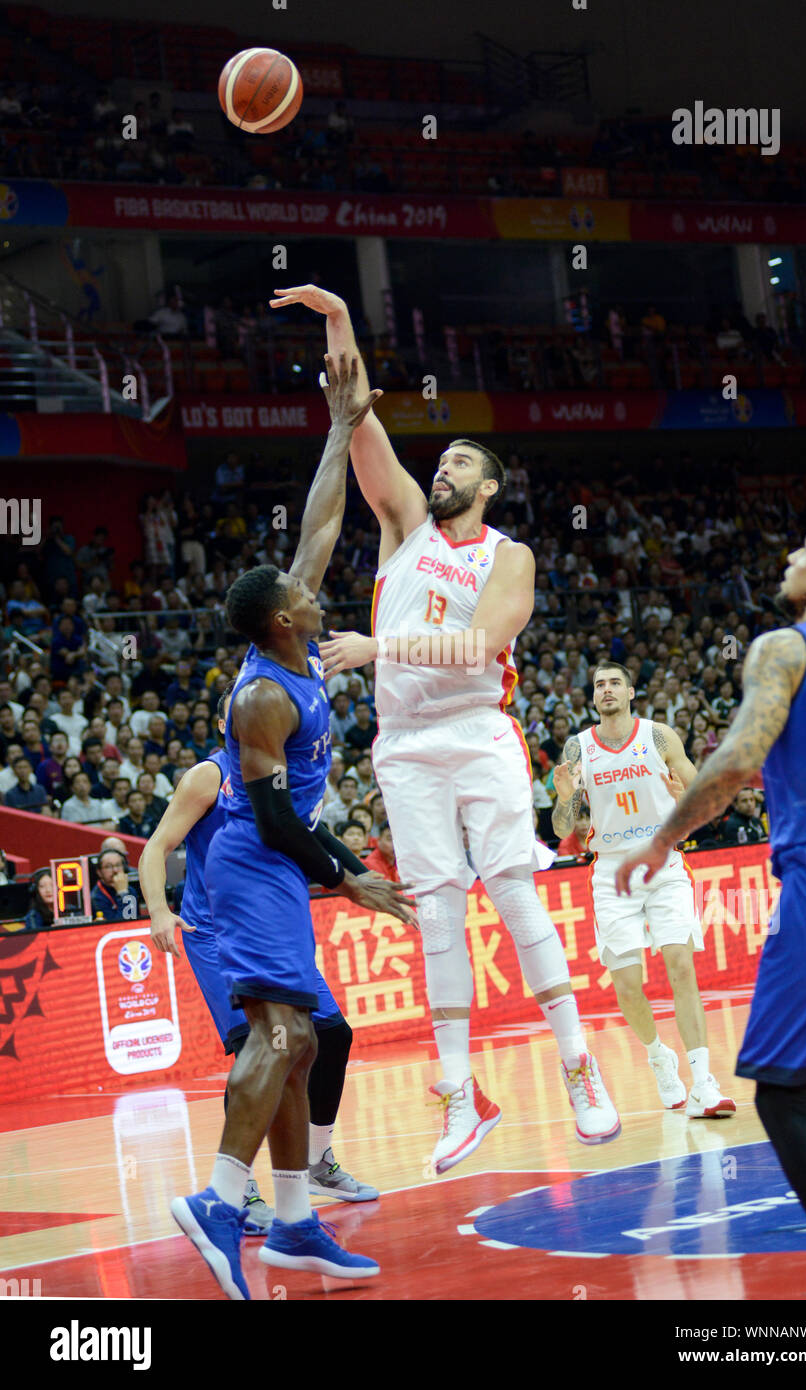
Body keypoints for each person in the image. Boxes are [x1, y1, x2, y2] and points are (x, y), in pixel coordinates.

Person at [272, 283, 621, 1167]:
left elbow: (479, 646)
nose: (445, 469)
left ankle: (579, 1065)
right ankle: (460, 1096)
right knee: (436, 914)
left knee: (511, 892)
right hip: (405, 747)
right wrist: (339, 321)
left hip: (478, 731)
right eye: (444, 459)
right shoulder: (403, 526)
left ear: (490, 486)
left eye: (463, 461)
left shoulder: (511, 555)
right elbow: (354, 418)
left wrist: (379, 645)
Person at [169, 354, 416, 1299]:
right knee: (275, 1037)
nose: (322, 593)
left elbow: (320, 525)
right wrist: (350, 876)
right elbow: (271, 818)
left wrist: (337, 427)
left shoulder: (291, 638)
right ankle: (220, 1204)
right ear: (279, 620)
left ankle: (297, 1225)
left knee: (306, 1039)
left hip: (270, 861)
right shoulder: (264, 698)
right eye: (306, 596)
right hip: (245, 862)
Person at [615, 519, 806, 1295]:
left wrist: (661, 839)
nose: (789, 558)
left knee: (781, 1093)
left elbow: (736, 757)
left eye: (803, 552)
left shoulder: (784, 647)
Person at [140, 685, 380, 1239]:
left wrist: (361, 880)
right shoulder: (208, 775)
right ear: (231, 718)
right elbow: (155, 848)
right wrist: (157, 910)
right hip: (217, 936)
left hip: (275, 929)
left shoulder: (280, 774)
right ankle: (238, 1190)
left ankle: (318, 1162)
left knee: (331, 1036)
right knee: (259, 1049)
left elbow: (311, 832)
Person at [552, 661, 736, 1116]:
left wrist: (683, 799)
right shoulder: (579, 749)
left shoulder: (658, 736)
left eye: (615, 682)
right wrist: (562, 797)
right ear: (592, 698)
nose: (607, 690)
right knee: (629, 986)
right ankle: (659, 1057)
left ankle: (704, 1082)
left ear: (631, 691)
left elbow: (702, 799)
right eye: (599, 685)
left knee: (680, 966)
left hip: (664, 861)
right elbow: (563, 828)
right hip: (612, 872)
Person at [91, 849, 139, 922]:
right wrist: (122, 894)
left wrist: (124, 892)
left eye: (118, 865)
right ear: (99, 872)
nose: (115, 870)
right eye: (108, 867)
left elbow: (133, 919)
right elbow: (118, 925)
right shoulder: (96, 897)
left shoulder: (130, 890)